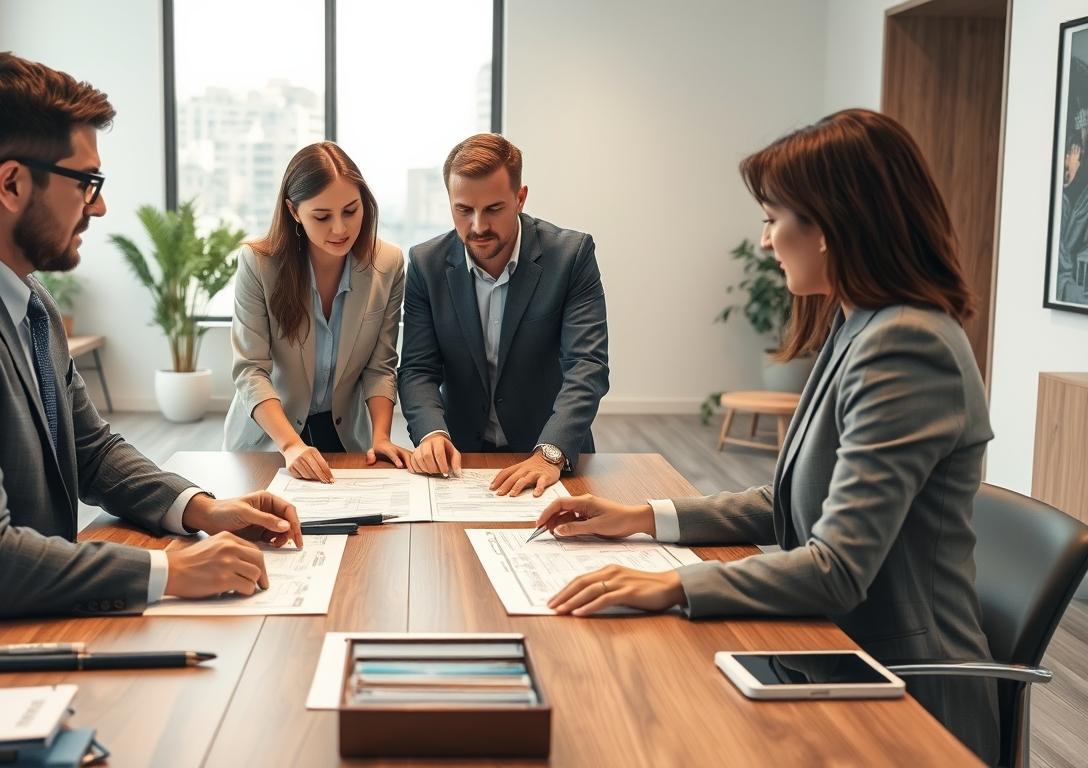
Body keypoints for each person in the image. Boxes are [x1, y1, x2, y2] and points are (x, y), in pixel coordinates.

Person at [534, 109, 999, 763]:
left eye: (773, 217)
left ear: (833, 227)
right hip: (831, 656)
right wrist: (641, 516)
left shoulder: (904, 343)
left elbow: (836, 569)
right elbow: (790, 502)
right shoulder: (859, 324)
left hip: (904, 698)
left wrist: (672, 585)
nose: (765, 241)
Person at [0, 53, 301, 693]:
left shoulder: (25, 300)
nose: (98, 208)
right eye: (86, 182)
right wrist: (174, 574)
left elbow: (91, 450)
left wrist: (203, 510)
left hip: (25, 634)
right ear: (12, 184)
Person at [397, 133, 609, 496]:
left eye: (493, 209)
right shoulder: (425, 264)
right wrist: (432, 432)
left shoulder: (571, 256)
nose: (478, 226)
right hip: (460, 461)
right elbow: (418, 368)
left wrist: (551, 452)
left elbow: (586, 365)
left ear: (520, 198)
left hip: (548, 455)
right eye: (463, 210)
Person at [223, 142, 408, 481]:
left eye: (351, 211)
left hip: (346, 437)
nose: (340, 229)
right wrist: (292, 445)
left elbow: (380, 366)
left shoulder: (389, 263)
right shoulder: (258, 264)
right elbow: (251, 370)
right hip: (270, 440)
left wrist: (381, 437)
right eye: (322, 216)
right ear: (294, 211)